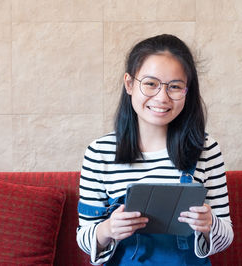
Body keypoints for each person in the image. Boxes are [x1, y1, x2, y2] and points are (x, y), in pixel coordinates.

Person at [76, 34, 233, 265]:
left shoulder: (205, 149)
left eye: (175, 87)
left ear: (187, 92)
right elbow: (84, 237)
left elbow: (226, 235)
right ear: (129, 84)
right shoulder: (100, 153)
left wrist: (209, 224)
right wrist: (108, 229)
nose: (162, 97)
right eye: (151, 84)